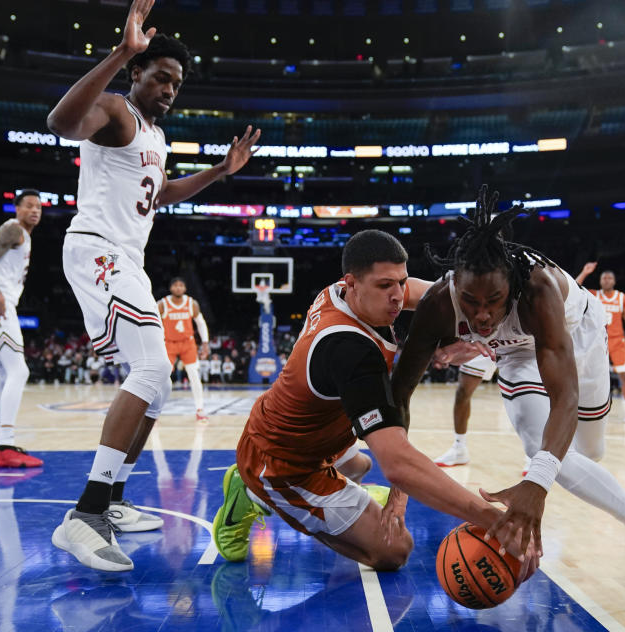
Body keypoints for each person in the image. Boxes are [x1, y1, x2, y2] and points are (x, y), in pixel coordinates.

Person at [391, 186, 625, 598]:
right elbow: (400, 394)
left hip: (579, 336)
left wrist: (536, 487)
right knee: (544, 451)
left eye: (493, 301)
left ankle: (573, 478)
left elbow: (566, 400)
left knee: (580, 456)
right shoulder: (438, 302)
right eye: (470, 302)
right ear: (456, 291)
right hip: (516, 356)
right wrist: (399, 484)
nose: (482, 314)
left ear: (512, 286)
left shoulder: (538, 291)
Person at [46, 0, 261, 572]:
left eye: (176, 83)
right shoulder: (115, 109)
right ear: (138, 72)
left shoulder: (156, 137)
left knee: (160, 384)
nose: (168, 89)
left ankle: (112, 500)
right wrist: (120, 52)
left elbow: (159, 195)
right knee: (150, 370)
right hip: (97, 249)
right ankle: (83, 516)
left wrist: (219, 172)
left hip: (127, 259)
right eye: (160, 77)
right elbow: (61, 122)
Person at [211, 230, 542, 577]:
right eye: (386, 286)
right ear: (352, 283)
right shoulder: (350, 350)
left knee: (359, 468)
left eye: (400, 281)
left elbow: (440, 296)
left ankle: (323, 493)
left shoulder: (341, 294)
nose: (398, 296)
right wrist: (493, 518)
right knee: (394, 550)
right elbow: (397, 464)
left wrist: (467, 332)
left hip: (300, 430)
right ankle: (256, 493)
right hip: (282, 462)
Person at [0, 190, 43, 466]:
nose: (35, 210)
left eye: (38, 206)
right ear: (17, 208)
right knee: (18, 371)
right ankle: (6, 445)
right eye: (29, 206)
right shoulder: (13, 229)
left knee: (4, 373)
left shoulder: (23, 235)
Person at [575, 262, 625, 422]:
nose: (606, 280)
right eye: (603, 278)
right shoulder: (594, 295)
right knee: (587, 376)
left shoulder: (621, 297)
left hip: (617, 341)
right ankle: (583, 409)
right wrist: (585, 272)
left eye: (609, 278)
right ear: (600, 281)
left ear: (614, 281)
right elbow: (574, 288)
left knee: (624, 376)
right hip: (596, 340)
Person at [431, 352, 497, 467]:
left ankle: (533, 456)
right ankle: (459, 448)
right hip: (483, 339)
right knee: (463, 392)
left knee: (523, 395)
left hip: (519, 339)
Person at [158, 277, 209, 420]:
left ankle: (200, 409)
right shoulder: (162, 304)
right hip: (169, 343)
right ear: (171, 288)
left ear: (185, 288)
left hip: (188, 343)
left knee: (194, 375)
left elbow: (201, 323)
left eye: (181, 285)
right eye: (175, 285)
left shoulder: (191, 303)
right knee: (162, 377)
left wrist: (205, 343)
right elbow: (153, 324)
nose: (178, 288)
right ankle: (154, 411)